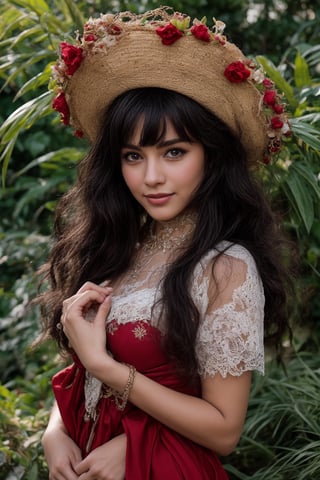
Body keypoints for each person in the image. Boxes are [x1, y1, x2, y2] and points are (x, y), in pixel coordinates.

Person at [38, 7, 292, 480]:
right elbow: (83, 376)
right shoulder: (118, 246)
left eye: (174, 152)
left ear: (211, 156)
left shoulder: (225, 268)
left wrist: (130, 435)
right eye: (133, 156)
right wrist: (56, 433)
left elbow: (223, 431)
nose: (151, 177)